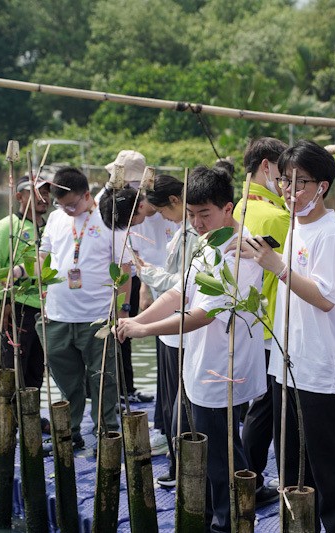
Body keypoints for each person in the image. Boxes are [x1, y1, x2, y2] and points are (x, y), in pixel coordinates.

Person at [116, 165, 265, 533]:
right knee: (202, 446)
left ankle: (229, 522)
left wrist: (144, 328)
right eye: (193, 214)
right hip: (200, 363)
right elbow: (180, 293)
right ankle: (222, 514)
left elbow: (202, 314)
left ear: (228, 209)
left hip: (222, 368)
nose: (197, 222)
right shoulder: (205, 242)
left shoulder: (240, 252)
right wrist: (140, 318)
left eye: (205, 214)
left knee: (222, 457)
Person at [241, 140, 335, 532]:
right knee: (290, 464)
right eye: (284, 182)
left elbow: (325, 297)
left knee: (332, 469)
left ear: (322, 186)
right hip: (288, 363)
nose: (290, 191)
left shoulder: (330, 234)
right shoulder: (292, 227)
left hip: (323, 370)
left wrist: (279, 267)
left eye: (300, 183)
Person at [39, 167, 130, 449]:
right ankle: (70, 432)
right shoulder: (55, 218)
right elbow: (44, 255)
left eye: (72, 205)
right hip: (58, 314)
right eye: (60, 205)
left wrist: (123, 310)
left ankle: (107, 432)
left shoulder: (108, 220)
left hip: (97, 316)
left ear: (87, 195)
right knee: (66, 379)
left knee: (103, 377)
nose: (66, 210)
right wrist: (39, 287)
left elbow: (125, 267)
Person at [234, 137, 289, 507]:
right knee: (272, 407)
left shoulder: (239, 206)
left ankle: (248, 478)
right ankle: (259, 480)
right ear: (267, 166)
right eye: (284, 174)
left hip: (246, 321)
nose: (286, 183)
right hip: (274, 325)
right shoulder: (279, 217)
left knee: (260, 407)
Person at [138, 173, 198, 488]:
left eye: (162, 211)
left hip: (183, 328)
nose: (163, 217)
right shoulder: (181, 231)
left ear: (175, 201)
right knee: (171, 402)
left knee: (182, 405)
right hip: (170, 329)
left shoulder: (192, 234)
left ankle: (183, 468)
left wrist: (148, 273)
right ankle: (177, 464)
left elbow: (183, 286)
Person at [100, 150, 159, 405]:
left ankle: (127, 388)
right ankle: (114, 392)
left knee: (127, 331)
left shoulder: (143, 201)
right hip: (112, 274)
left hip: (138, 274)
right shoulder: (108, 201)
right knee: (117, 329)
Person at [0, 175, 50, 390]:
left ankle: (32, 421)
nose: (43, 197)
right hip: (17, 311)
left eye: (46, 192)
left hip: (45, 312)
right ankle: (11, 421)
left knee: (36, 370)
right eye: (36, 192)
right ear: (20, 196)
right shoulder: (7, 227)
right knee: (13, 372)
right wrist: (3, 303)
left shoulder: (52, 229)